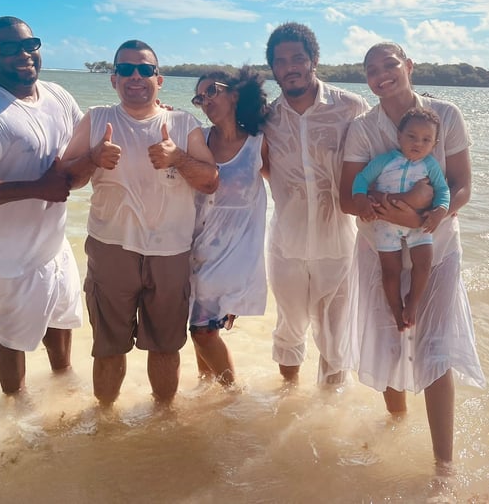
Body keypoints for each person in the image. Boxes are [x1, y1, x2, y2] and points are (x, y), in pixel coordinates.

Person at [340, 41, 485, 469]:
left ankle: (444, 467)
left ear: (409, 66)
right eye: (371, 69)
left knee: (436, 348)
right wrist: (392, 208)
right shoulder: (363, 128)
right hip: (378, 249)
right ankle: (396, 429)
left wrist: (424, 216)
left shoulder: (446, 115)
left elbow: (462, 186)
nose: (381, 75)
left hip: (436, 248)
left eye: (389, 65)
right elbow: (347, 197)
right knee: (389, 341)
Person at [61, 39, 219, 408]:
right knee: (108, 348)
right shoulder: (96, 119)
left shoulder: (183, 123)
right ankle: (105, 421)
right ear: (113, 79)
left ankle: (163, 420)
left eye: (145, 69)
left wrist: (178, 159)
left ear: (159, 80)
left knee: (165, 346)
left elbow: (211, 181)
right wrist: (93, 158)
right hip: (111, 248)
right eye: (126, 69)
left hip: (171, 251)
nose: (136, 76)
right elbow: (65, 178)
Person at [0, 16, 83, 395]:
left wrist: (151, 112)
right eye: (9, 48)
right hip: (5, 254)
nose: (24, 54)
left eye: (29, 44)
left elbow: (83, 142)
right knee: (12, 337)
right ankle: (15, 407)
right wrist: (38, 188)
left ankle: (62, 382)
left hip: (52, 241)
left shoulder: (57, 95)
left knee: (61, 317)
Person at [262, 22, 369, 385]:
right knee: (288, 330)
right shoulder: (267, 117)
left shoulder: (350, 107)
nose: (290, 67)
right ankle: (288, 402)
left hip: (339, 244)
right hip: (286, 245)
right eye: (280, 61)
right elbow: (255, 162)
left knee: (335, 339)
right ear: (273, 68)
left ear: (314, 60)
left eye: (297, 58)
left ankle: (329, 402)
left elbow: (379, 157)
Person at [188, 66, 270, 386]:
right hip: (195, 247)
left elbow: (285, 185)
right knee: (200, 328)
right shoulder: (197, 138)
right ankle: (206, 391)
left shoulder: (258, 143)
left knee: (203, 330)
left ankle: (232, 393)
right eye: (199, 97)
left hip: (234, 254)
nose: (206, 100)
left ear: (234, 95)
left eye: (212, 91)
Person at [351, 107, 450, 331]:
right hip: (385, 224)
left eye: (426, 140)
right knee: (390, 270)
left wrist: (439, 211)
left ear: (434, 144)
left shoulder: (430, 165)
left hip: (418, 225)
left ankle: (412, 303)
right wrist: (361, 200)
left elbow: (443, 190)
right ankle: (396, 309)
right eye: (411, 136)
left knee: (423, 264)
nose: (418, 143)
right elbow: (361, 179)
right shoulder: (385, 161)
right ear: (399, 136)